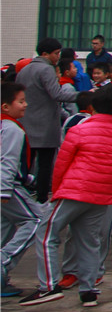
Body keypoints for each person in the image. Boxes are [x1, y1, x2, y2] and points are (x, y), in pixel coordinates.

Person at [19, 83, 112, 308]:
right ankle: (89, 290)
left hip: (74, 189)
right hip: (101, 193)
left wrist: (56, 190)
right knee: (89, 242)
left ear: (92, 106)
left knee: (46, 233)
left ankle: (48, 286)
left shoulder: (79, 130)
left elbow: (61, 163)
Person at [16, 38, 78, 203]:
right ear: (45, 54)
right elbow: (57, 94)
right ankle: (42, 198)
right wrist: (82, 96)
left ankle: (23, 196)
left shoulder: (24, 70)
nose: (58, 57)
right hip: (45, 126)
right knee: (45, 166)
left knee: (26, 164)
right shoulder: (47, 69)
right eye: (56, 53)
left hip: (25, 123)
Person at [1, 82, 44, 297]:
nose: (25, 105)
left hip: (9, 183)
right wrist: (4, 190)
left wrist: (27, 177)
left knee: (5, 227)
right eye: (21, 101)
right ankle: (3, 262)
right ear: (5, 106)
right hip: (7, 186)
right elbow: (7, 161)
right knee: (37, 219)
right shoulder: (11, 129)